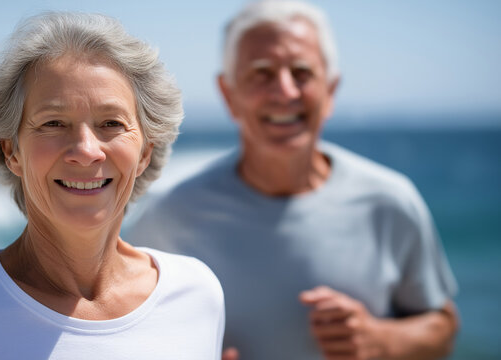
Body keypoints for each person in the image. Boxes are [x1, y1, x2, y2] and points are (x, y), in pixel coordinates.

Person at [127, 1, 459, 359]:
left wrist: (381, 340)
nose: (285, 92)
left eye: (301, 73)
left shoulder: (390, 200)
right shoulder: (171, 214)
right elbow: (128, 335)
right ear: (229, 94)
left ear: (330, 91)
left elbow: (442, 323)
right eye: (262, 73)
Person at [0, 12, 224, 360]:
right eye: (53, 123)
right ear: (12, 151)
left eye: (111, 123)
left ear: (145, 151)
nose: (85, 151)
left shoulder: (197, 293)